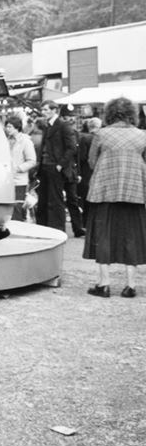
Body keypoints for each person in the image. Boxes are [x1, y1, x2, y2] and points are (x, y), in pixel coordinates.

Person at [83, 97, 146, 298]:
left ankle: (104, 284)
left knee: (103, 235)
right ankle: (131, 286)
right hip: (135, 192)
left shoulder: (101, 134)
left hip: (104, 191)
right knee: (133, 237)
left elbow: (91, 162)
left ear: (109, 114)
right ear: (132, 114)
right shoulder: (142, 135)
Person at [36, 101, 81, 234]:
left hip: (54, 167)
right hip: (45, 166)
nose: (43, 112)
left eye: (45, 110)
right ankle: (44, 227)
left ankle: (56, 229)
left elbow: (72, 147)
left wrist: (60, 164)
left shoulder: (63, 125)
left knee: (55, 200)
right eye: (42, 110)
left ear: (54, 110)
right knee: (44, 199)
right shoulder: (48, 126)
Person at [4, 114, 37, 221]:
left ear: (17, 127)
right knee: (6, 207)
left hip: (19, 180)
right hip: (5, 179)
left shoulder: (26, 141)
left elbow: (32, 161)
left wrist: (18, 168)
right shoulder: (5, 140)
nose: (7, 129)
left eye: (10, 127)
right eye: (7, 126)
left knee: (17, 207)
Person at [77, 116, 102, 209]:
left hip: (86, 171)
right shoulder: (100, 138)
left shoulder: (84, 138)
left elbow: (82, 157)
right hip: (97, 170)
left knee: (86, 197)